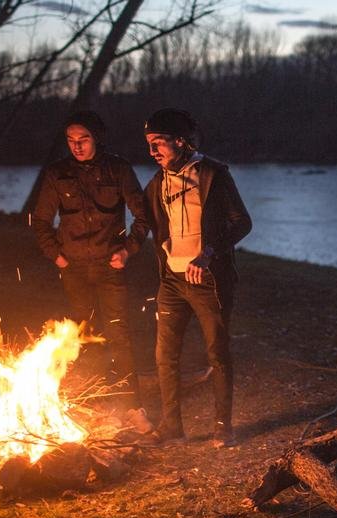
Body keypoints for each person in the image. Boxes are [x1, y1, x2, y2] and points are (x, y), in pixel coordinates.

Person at [32, 110, 158, 411]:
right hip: (73, 267)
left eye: (83, 139)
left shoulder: (118, 169)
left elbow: (143, 216)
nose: (77, 146)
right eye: (71, 140)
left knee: (118, 331)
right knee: (82, 332)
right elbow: (40, 220)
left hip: (109, 265)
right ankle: (92, 399)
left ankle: (132, 405)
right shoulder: (57, 173)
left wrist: (128, 250)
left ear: (96, 139)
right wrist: (56, 256)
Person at [141, 108, 252, 448]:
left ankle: (223, 427)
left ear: (181, 141)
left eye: (158, 143)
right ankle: (172, 425)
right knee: (165, 355)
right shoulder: (158, 182)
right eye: (148, 144)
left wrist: (208, 255)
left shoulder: (213, 175)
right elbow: (144, 219)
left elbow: (242, 222)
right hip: (171, 281)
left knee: (217, 351)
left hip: (208, 282)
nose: (152, 152)